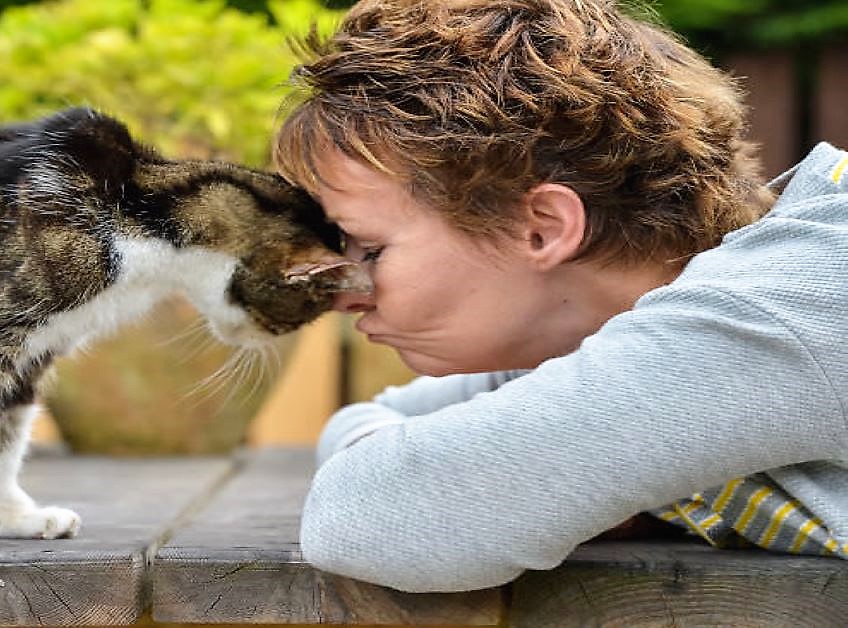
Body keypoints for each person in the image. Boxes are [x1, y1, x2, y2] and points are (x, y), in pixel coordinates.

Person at [271, 0, 848, 593]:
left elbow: (370, 518)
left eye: (370, 248)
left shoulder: (776, 310)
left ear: (542, 226)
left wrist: (526, 474)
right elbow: (379, 422)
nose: (343, 295)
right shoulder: (612, 329)